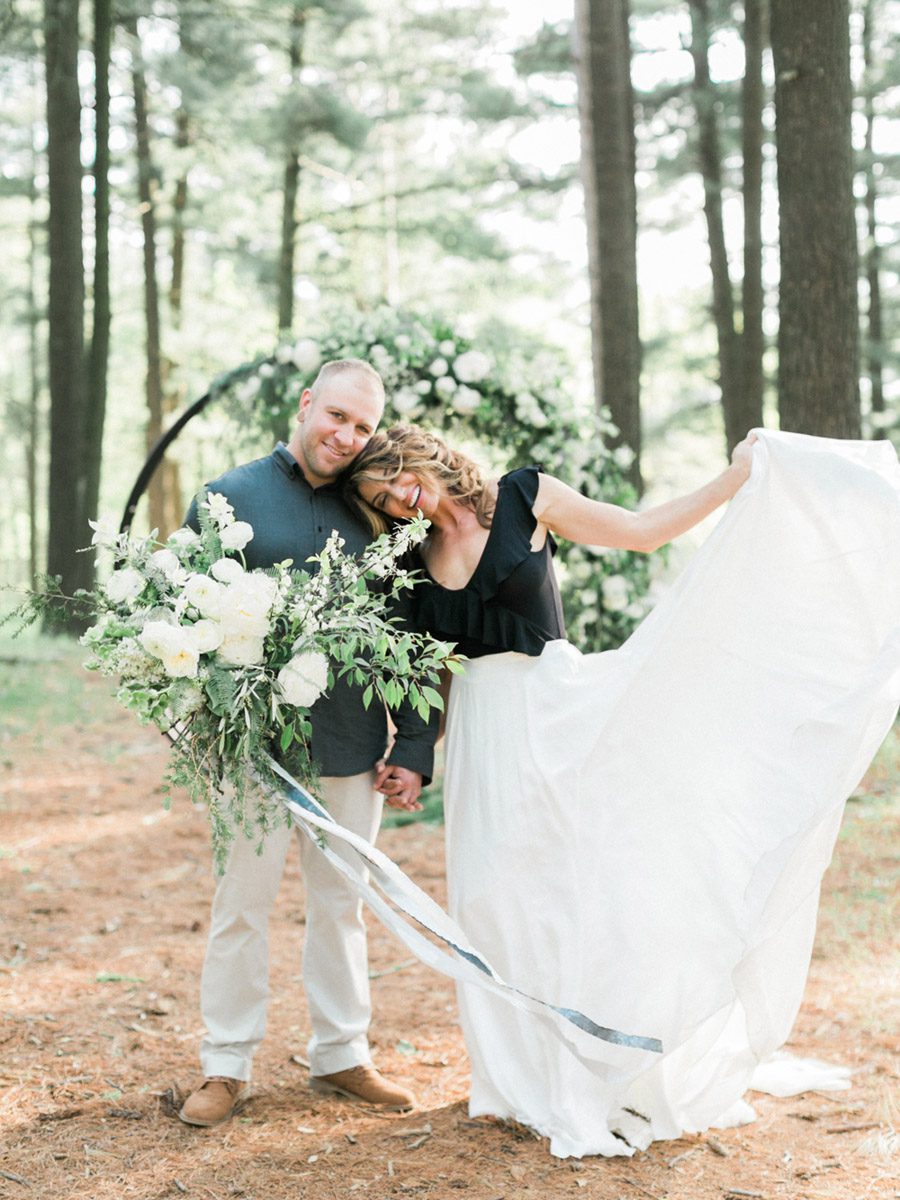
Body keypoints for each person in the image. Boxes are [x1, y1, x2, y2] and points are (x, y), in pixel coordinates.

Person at [345, 423, 899, 1157]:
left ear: (422, 455)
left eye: (398, 479)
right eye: (385, 501)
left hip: (558, 713)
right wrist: (412, 755)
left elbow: (638, 533)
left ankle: (596, 1073)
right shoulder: (409, 560)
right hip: (485, 743)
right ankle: (517, 1079)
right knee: (492, 901)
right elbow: (428, 676)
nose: (401, 500)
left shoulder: (523, 496)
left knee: (574, 891)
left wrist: (734, 480)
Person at [178, 361, 437, 1128]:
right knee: (242, 905)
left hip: (353, 745)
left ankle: (341, 1055)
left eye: (362, 426)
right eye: (337, 416)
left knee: (342, 904)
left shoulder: (380, 513)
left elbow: (408, 633)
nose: (345, 436)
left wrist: (416, 743)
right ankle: (225, 1063)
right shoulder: (227, 497)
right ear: (306, 404)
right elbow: (183, 616)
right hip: (254, 746)